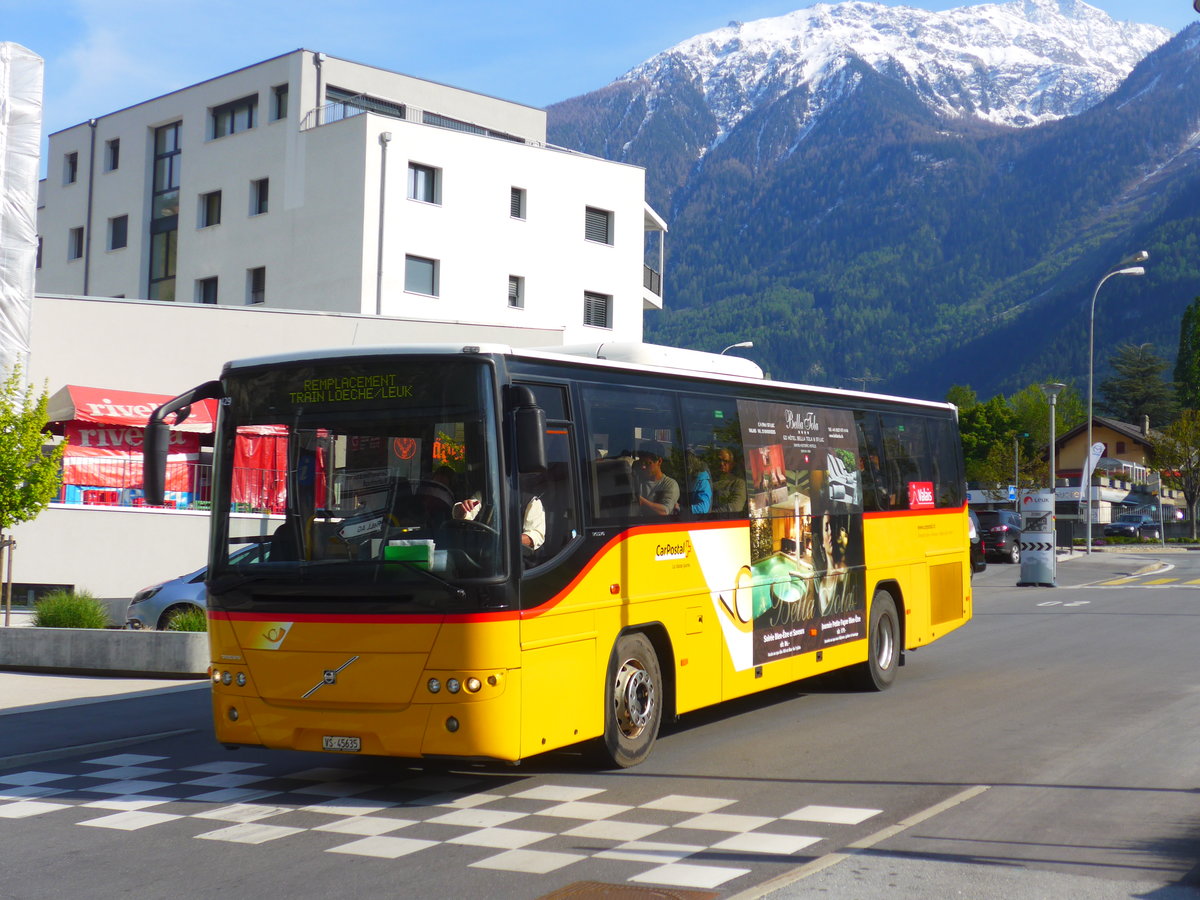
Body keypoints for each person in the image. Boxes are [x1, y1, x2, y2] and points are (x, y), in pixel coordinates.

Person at [453, 493, 545, 550]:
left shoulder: (531, 501)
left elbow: (534, 536)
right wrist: (462, 509)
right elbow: (465, 515)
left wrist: (503, 541)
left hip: (511, 562)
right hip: (479, 553)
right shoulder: (484, 494)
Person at [635, 444, 679, 517]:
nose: (643, 467)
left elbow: (664, 511)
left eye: (648, 463)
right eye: (641, 462)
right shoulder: (636, 480)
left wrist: (640, 500)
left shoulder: (670, 484)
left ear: (659, 461)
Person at [713, 447, 748, 513]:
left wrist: (710, 514)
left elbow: (735, 507)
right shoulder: (711, 479)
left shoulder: (738, 483)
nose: (721, 463)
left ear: (732, 464)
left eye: (725, 461)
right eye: (719, 460)